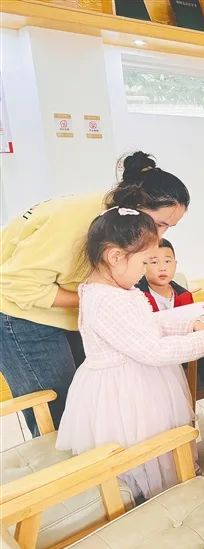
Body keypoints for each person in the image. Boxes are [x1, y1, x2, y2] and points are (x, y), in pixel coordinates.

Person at [0, 151, 190, 435]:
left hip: (64, 311)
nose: (161, 236)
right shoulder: (74, 222)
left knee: (87, 405)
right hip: (19, 313)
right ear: (136, 205)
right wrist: (94, 299)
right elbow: (15, 283)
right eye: (160, 224)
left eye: (168, 228)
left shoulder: (122, 224)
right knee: (59, 411)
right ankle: (66, 464)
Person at [55, 208, 204, 500]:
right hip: (128, 391)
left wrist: (189, 324)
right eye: (144, 262)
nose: (144, 271)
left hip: (132, 379)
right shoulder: (109, 300)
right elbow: (154, 349)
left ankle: (167, 489)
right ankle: (159, 500)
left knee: (157, 450)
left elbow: (146, 324)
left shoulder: (109, 289)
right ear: (115, 256)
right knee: (147, 449)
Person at [136, 238, 204, 416]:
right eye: (154, 262)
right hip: (158, 353)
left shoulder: (184, 295)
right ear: (142, 265)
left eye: (167, 261)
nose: (162, 268)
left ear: (175, 264)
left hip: (190, 349)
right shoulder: (138, 296)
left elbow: (195, 324)